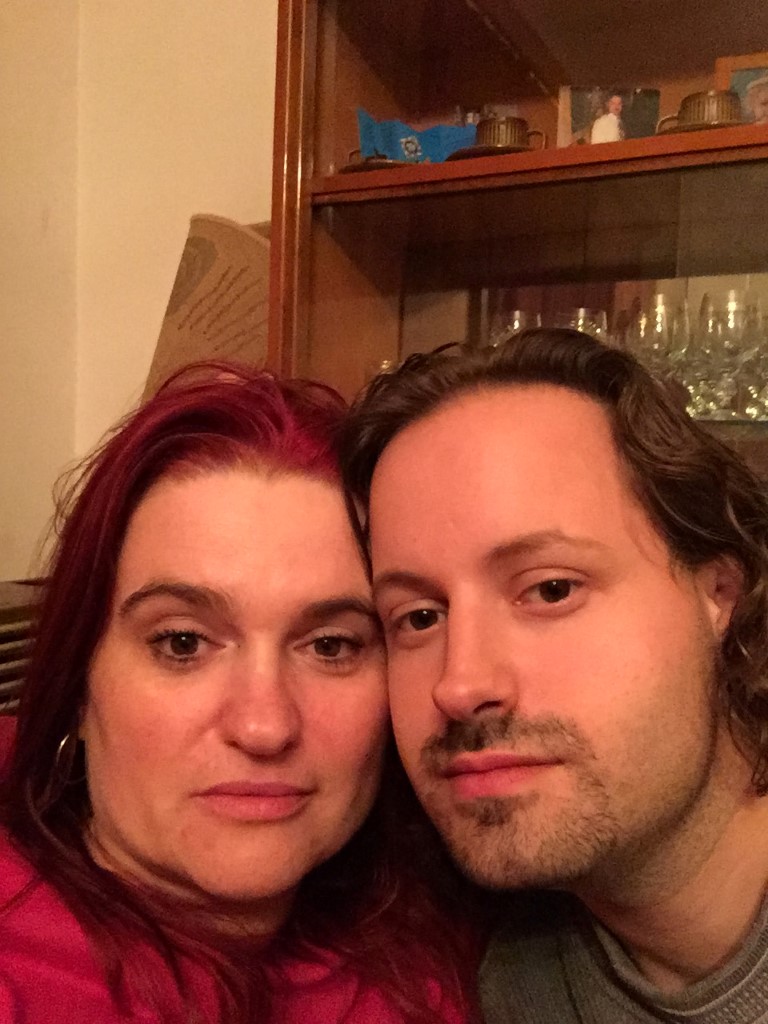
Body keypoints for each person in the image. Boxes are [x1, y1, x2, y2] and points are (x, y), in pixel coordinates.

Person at [0, 362, 472, 1023]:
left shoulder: (453, 926)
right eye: (182, 643)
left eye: (331, 646)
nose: (264, 726)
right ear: (78, 682)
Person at [339, 328, 768, 1023]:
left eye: (550, 590)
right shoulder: (482, 974)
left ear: (718, 593)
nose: (460, 685)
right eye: (418, 618)